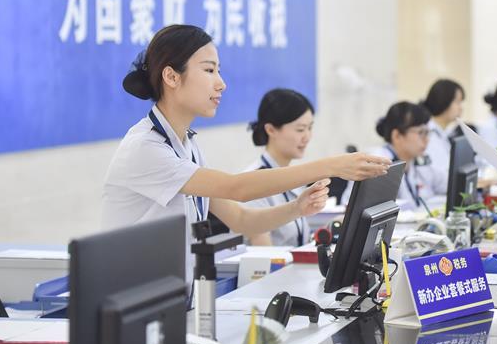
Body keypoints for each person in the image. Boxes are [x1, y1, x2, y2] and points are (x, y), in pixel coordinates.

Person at [103, 25, 390, 277]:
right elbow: (236, 187)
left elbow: (241, 219)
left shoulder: (186, 146)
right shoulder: (146, 147)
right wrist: (332, 165)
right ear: (171, 76)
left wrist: (297, 208)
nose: (221, 83)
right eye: (209, 70)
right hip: (134, 298)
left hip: (170, 297)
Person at [243, 88, 318, 246]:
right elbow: (263, 255)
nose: (307, 137)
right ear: (271, 130)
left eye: (310, 128)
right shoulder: (253, 183)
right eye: (300, 129)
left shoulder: (294, 177)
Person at [342, 101, 445, 213]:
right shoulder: (377, 162)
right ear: (397, 135)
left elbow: (444, 184)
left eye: (427, 133)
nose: (426, 139)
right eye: (421, 132)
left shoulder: (416, 162)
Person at [421, 79, 466, 188]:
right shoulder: (427, 135)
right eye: (457, 102)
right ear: (444, 101)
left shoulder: (443, 134)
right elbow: (440, 179)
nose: (461, 108)